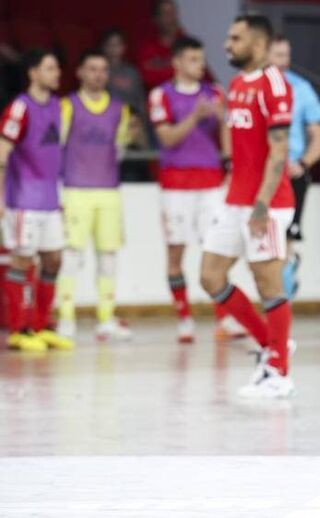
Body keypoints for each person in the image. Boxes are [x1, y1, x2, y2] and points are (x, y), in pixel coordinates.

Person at [199, 14, 295, 398]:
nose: (227, 44)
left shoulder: (275, 85)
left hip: (267, 204)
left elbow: (279, 150)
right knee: (210, 276)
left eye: (234, 38)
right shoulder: (236, 83)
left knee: (267, 281)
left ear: (257, 44)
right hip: (235, 198)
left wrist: (260, 206)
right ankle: (271, 345)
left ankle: (280, 372)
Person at [149, 36, 231, 344]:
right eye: (193, 60)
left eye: (201, 59)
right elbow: (167, 138)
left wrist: (222, 121)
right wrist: (194, 117)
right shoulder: (161, 95)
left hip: (210, 181)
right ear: (178, 62)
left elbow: (227, 137)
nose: (200, 65)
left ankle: (223, 318)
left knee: (217, 250)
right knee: (176, 251)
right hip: (175, 183)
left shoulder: (215, 93)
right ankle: (184, 318)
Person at [55, 50, 133, 341]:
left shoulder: (119, 110)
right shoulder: (67, 106)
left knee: (108, 256)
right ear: (80, 73)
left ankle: (106, 318)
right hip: (75, 190)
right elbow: (57, 147)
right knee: (71, 255)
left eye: (103, 69)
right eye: (92, 69)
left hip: (108, 191)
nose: (98, 75)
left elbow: (120, 148)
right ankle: (66, 318)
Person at [0, 49, 73, 351]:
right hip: (23, 200)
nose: (57, 73)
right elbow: (2, 150)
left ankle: (42, 325)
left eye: (57, 68)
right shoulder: (20, 107)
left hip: (49, 200)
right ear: (33, 73)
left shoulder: (57, 107)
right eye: (50, 68)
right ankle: (20, 329)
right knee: (22, 259)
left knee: (53, 259)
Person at [268, 34, 320, 299]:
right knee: (262, 247)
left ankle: (281, 308)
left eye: (287, 55)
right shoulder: (253, 86)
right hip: (260, 174)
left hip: (289, 175)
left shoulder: (301, 88)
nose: (285, 61)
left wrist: (303, 162)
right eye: (279, 55)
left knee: (284, 243)